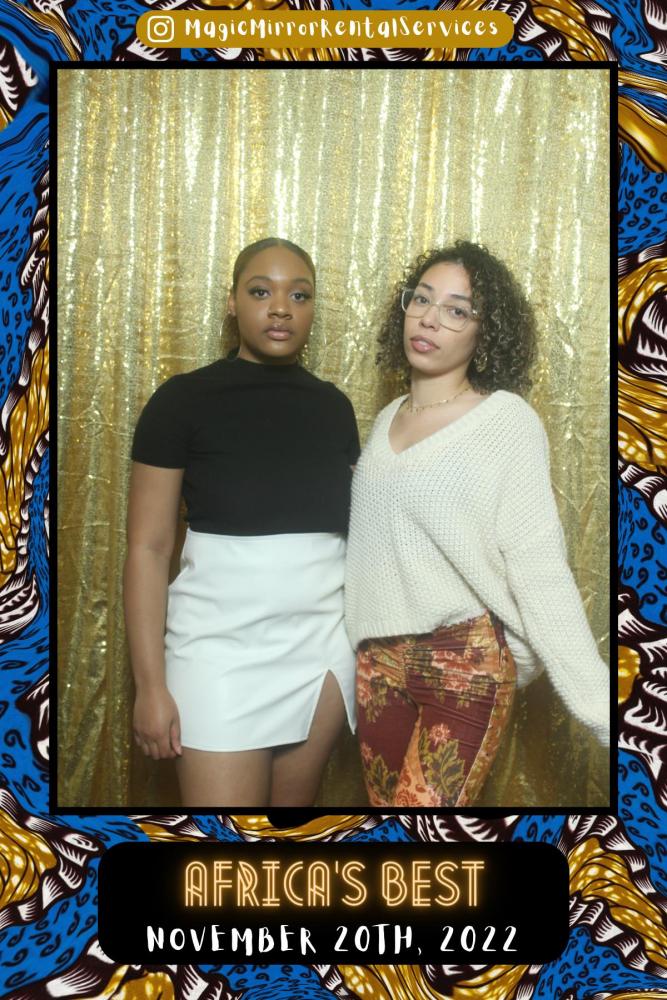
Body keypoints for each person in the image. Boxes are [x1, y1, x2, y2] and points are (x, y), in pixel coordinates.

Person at [345, 240, 610, 808]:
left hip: (460, 664)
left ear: (484, 333)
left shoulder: (506, 421)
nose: (430, 319)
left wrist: (607, 714)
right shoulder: (387, 419)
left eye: (457, 310)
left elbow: (539, 567)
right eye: (422, 299)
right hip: (376, 667)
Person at [124, 237, 360, 807]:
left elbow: (360, 539)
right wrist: (150, 686)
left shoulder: (335, 408)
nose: (280, 308)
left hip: (320, 651)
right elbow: (149, 549)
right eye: (260, 292)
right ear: (232, 302)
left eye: (299, 295)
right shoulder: (181, 401)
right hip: (217, 652)